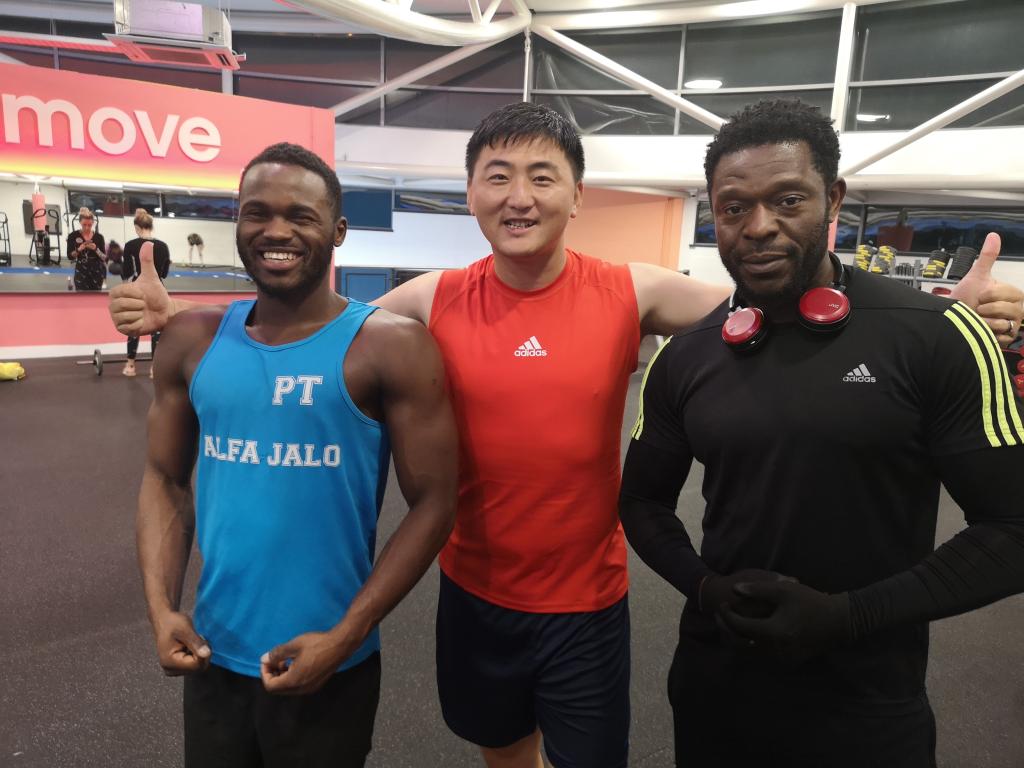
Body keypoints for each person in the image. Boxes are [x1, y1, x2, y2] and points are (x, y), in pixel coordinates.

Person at [108, 103, 1024, 768]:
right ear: (471, 194)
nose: (519, 196)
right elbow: (310, 321)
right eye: (497, 176)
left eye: (542, 176)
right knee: (502, 751)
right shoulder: (431, 299)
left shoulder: (633, 290)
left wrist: (940, 313)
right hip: (474, 594)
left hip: (586, 603)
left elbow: (782, 300)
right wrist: (180, 317)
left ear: (576, 195)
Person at [619, 98, 1024, 768]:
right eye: (733, 208)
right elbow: (642, 502)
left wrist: (849, 616)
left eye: (787, 200)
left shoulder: (937, 337)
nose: (758, 227)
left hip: (867, 704)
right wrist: (705, 588)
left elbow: (1013, 529)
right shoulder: (686, 355)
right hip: (717, 687)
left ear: (832, 200)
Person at [139, 142, 457, 767]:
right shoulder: (190, 340)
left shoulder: (391, 347)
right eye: (257, 213)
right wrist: (161, 608)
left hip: (329, 660)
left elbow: (435, 503)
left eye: (300, 216)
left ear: (337, 230)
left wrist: (346, 635)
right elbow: (164, 478)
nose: (276, 231)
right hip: (212, 654)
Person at [121, 209, 171, 378]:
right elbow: (164, 274)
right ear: (151, 226)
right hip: (158, 289)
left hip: (139, 287)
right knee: (156, 328)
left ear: (137, 227)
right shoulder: (163, 246)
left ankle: (130, 366)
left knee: (134, 326)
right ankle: (153, 369)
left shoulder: (130, 245)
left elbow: (127, 271)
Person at [67, 207, 106, 291]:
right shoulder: (73, 236)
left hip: (96, 271)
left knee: (95, 296)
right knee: (81, 296)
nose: (87, 228)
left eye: (89, 225)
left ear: (93, 223)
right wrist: (79, 249)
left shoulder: (99, 237)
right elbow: (70, 256)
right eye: (84, 225)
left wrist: (96, 249)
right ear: (80, 222)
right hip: (81, 269)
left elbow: (104, 258)